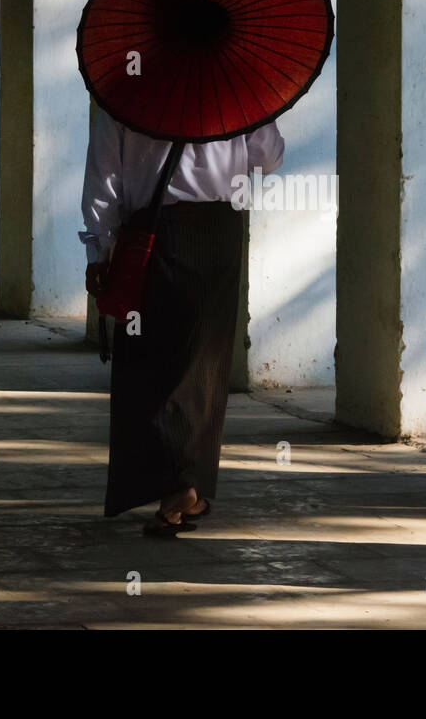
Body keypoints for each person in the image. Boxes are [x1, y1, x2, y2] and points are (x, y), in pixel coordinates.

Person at [80, 107, 285, 535]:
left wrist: (99, 248)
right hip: (218, 231)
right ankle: (188, 483)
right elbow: (269, 156)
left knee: (148, 362)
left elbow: (104, 176)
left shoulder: (124, 88)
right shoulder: (233, 89)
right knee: (203, 363)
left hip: (149, 233)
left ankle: (174, 486)